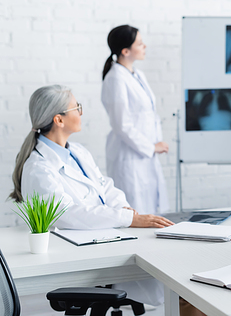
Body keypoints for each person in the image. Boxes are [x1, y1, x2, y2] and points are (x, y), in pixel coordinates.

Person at [9, 85, 173, 230]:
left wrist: (122, 208)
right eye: (76, 108)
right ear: (59, 120)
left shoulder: (78, 152)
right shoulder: (38, 169)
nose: (81, 112)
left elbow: (104, 185)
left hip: (103, 234)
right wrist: (126, 219)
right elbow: (65, 215)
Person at [101, 25, 169, 215]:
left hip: (144, 156)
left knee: (150, 212)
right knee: (135, 214)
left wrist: (154, 145)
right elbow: (121, 124)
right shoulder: (115, 79)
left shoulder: (138, 75)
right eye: (139, 43)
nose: (144, 46)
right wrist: (151, 146)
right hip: (129, 158)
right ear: (125, 51)